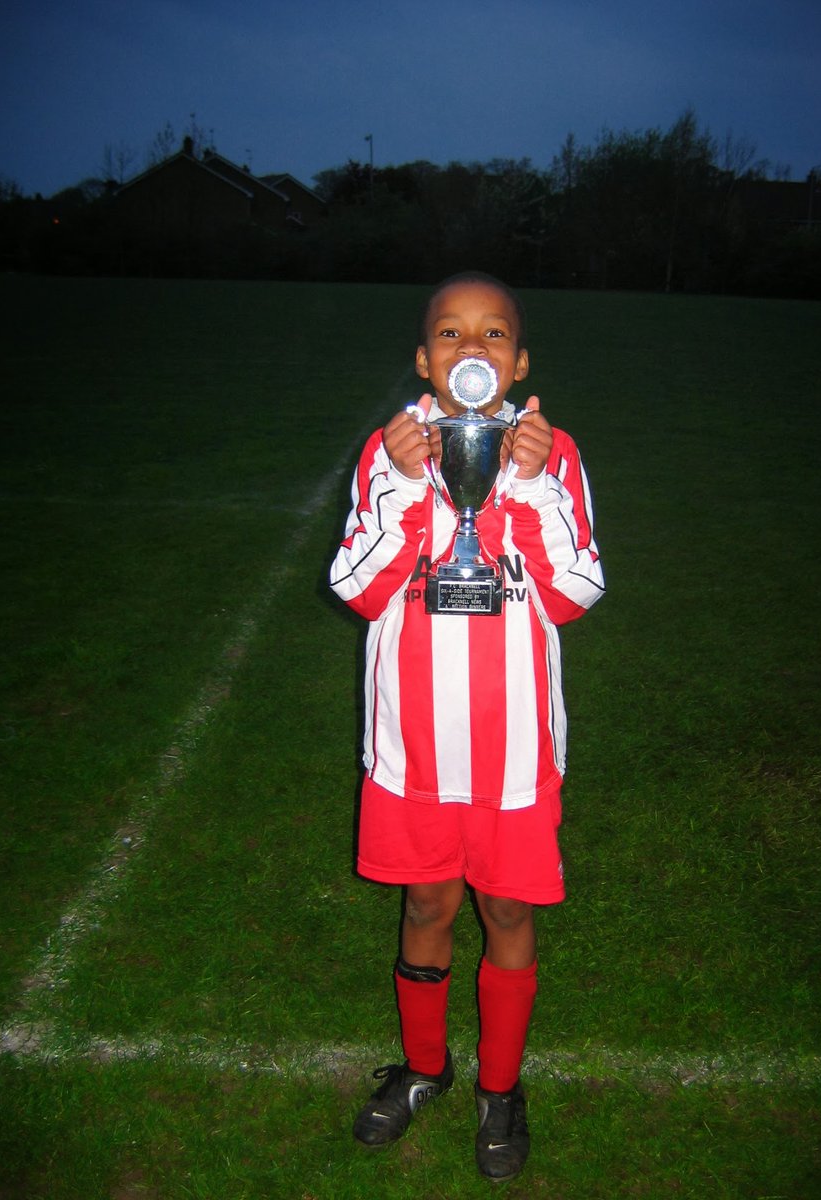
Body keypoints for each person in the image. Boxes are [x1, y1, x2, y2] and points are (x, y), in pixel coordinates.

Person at [329, 271, 605, 1181]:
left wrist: (530, 488)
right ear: (423, 359)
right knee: (427, 903)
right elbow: (360, 588)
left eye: (493, 336)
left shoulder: (552, 454)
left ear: (519, 363)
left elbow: (572, 593)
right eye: (451, 335)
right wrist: (408, 489)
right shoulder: (389, 453)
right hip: (414, 747)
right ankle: (422, 1069)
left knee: (509, 908)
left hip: (515, 754)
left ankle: (500, 1088)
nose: (472, 350)